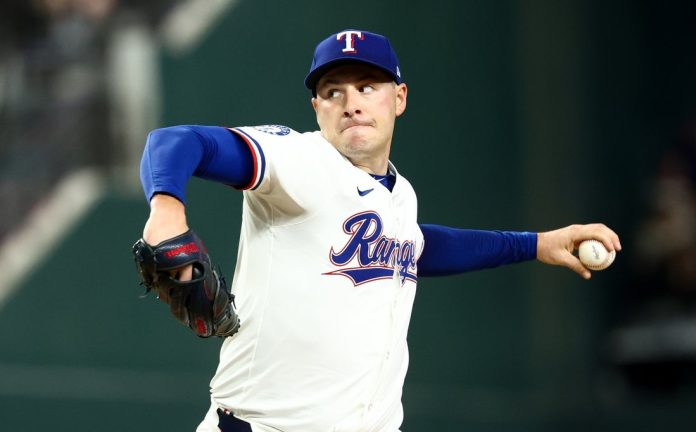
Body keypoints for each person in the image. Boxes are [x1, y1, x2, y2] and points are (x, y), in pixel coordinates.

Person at [137, 29, 622, 432]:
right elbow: (175, 142)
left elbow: (419, 247)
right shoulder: (300, 161)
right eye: (334, 92)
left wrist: (536, 244)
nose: (351, 103)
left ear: (399, 98)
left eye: (367, 87)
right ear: (316, 107)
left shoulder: (399, 194)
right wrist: (166, 211)